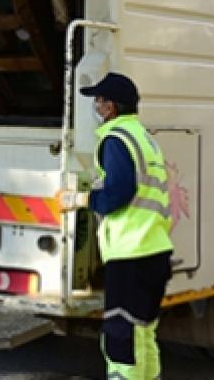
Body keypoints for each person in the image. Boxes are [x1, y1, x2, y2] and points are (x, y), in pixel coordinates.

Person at [60, 72, 174, 380]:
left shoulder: (116, 140)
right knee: (143, 334)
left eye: (99, 100)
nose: (96, 107)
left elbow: (120, 191)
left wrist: (82, 199)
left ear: (110, 106)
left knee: (122, 338)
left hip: (131, 254)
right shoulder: (145, 139)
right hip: (155, 250)